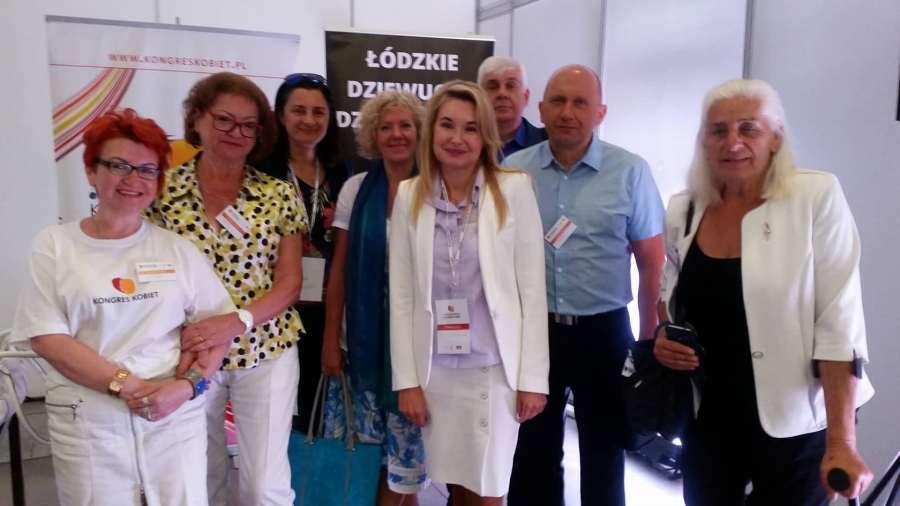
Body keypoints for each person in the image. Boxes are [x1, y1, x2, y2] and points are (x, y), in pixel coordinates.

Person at [653, 78, 875, 505]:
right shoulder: (685, 207)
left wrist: (841, 442)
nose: (733, 142)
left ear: (776, 137)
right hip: (707, 417)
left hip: (794, 424)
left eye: (748, 128)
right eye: (718, 130)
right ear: (704, 141)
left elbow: (838, 327)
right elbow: (670, 294)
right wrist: (664, 334)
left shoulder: (814, 198)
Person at [11, 109, 237, 506]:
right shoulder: (56, 245)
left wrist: (187, 387)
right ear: (91, 171)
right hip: (92, 418)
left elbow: (217, 327)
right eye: (119, 166)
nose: (134, 180)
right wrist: (129, 387)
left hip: (173, 417)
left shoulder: (177, 249)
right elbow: (47, 336)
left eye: (148, 170)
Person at [503, 64, 666, 506]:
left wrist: (647, 341)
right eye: (558, 101)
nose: (567, 112)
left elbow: (652, 262)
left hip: (604, 332)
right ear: (540, 109)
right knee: (532, 452)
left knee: (604, 452)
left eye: (580, 102)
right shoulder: (513, 171)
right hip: (534, 331)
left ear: (600, 112)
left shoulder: (630, 171)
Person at [146, 72, 308, 506]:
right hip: (190, 354)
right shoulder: (162, 193)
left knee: (263, 486)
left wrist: (236, 321)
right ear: (197, 119)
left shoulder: (278, 195)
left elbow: (291, 283)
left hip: (265, 348)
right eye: (224, 120)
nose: (236, 132)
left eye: (248, 125)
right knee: (200, 475)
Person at [389, 80, 549, 506]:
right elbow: (402, 299)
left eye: (471, 128)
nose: (457, 138)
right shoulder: (410, 195)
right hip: (435, 371)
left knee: (490, 490)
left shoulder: (514, 188)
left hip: (495, 371)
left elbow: (533, 294)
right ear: (431, 131)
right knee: (456, 486)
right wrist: (407, 382)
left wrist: (533, 381)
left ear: (486, 137)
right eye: (447, 125)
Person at [320, 90, 428, 505]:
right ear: (372, 135)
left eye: (405, 125)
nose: (396, 134)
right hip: (360, 345)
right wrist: (331, 341)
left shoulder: (436, 188)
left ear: (419, 132)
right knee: (366, 455)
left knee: (406, 456)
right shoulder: (355, 189)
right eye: (386, 127)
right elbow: (339, 272)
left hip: (417, 350)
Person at [255, 73, 353, 435]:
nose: (309, 120)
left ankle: (309, 463)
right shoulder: (260, 169)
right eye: (298, 110)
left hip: (326, 307)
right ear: (281, 115)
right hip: (273, 307)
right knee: (271, 405)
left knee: (317, 400)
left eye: (318, 112)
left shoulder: (341, 170)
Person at [477, 56, 546, 159]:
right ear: (479, 96)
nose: (502, 94)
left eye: (511, 86)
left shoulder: (549, 145)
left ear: (526, 96)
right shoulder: (465, 145)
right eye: (493, 87)